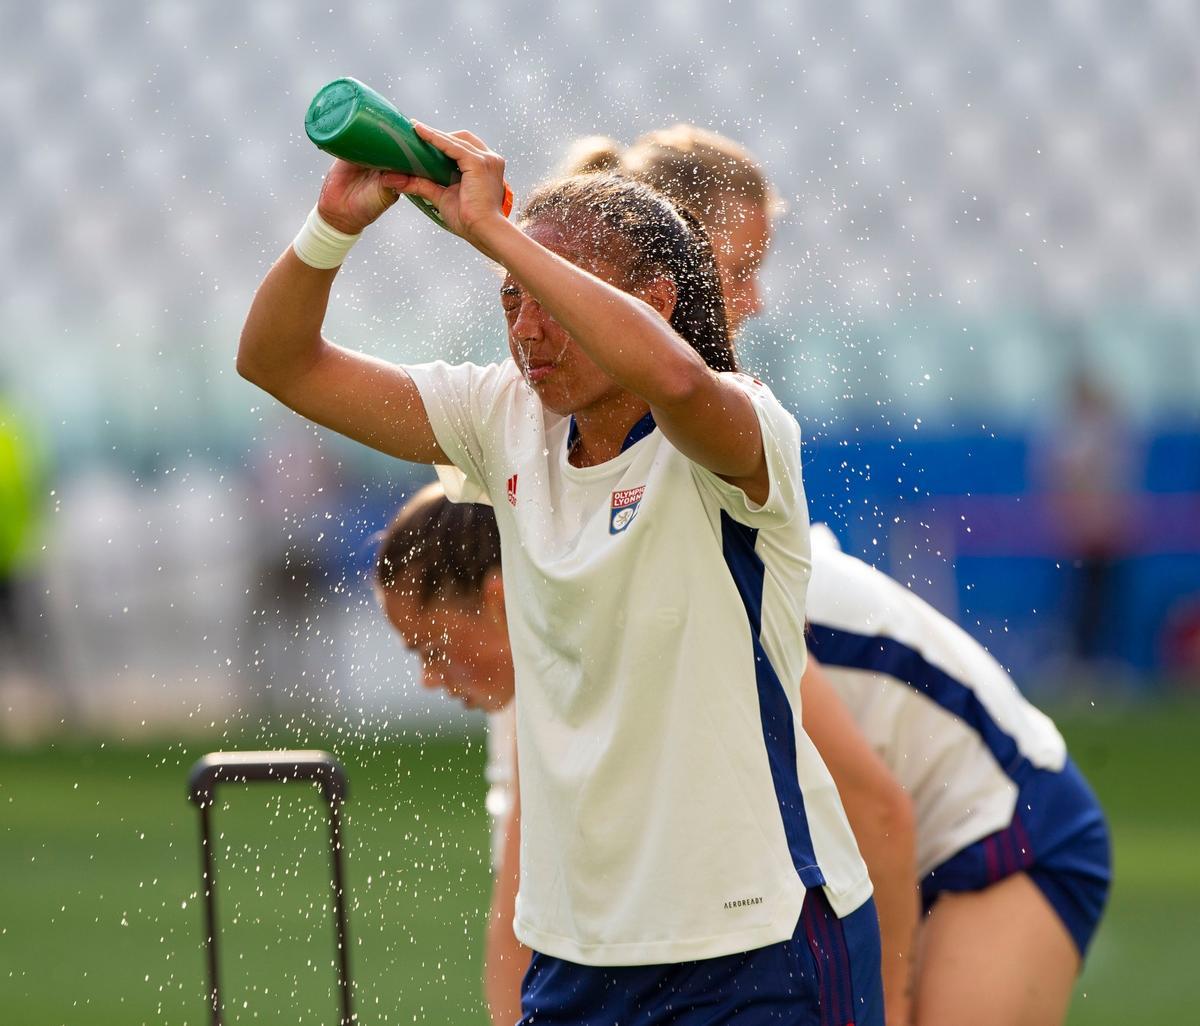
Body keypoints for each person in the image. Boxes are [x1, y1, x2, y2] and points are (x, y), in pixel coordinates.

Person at [239, 126, 883, 1025]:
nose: (527, 331)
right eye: (510, 299)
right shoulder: (505, 417)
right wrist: (331, 226)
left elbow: (682, 386)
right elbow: (276, 362)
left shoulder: (739, 427)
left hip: (757, 943)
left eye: (549, 298)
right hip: (578, 956)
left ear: (655, 304)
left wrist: (494, 233)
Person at [375, 486, 1110, 1026]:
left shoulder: (669, 605)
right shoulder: (542, 673)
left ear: (502, 599)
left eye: (427, 645)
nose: (428, 679)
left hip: (1004, 825)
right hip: (865, 847)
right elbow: (525, 900)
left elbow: (879, 809)